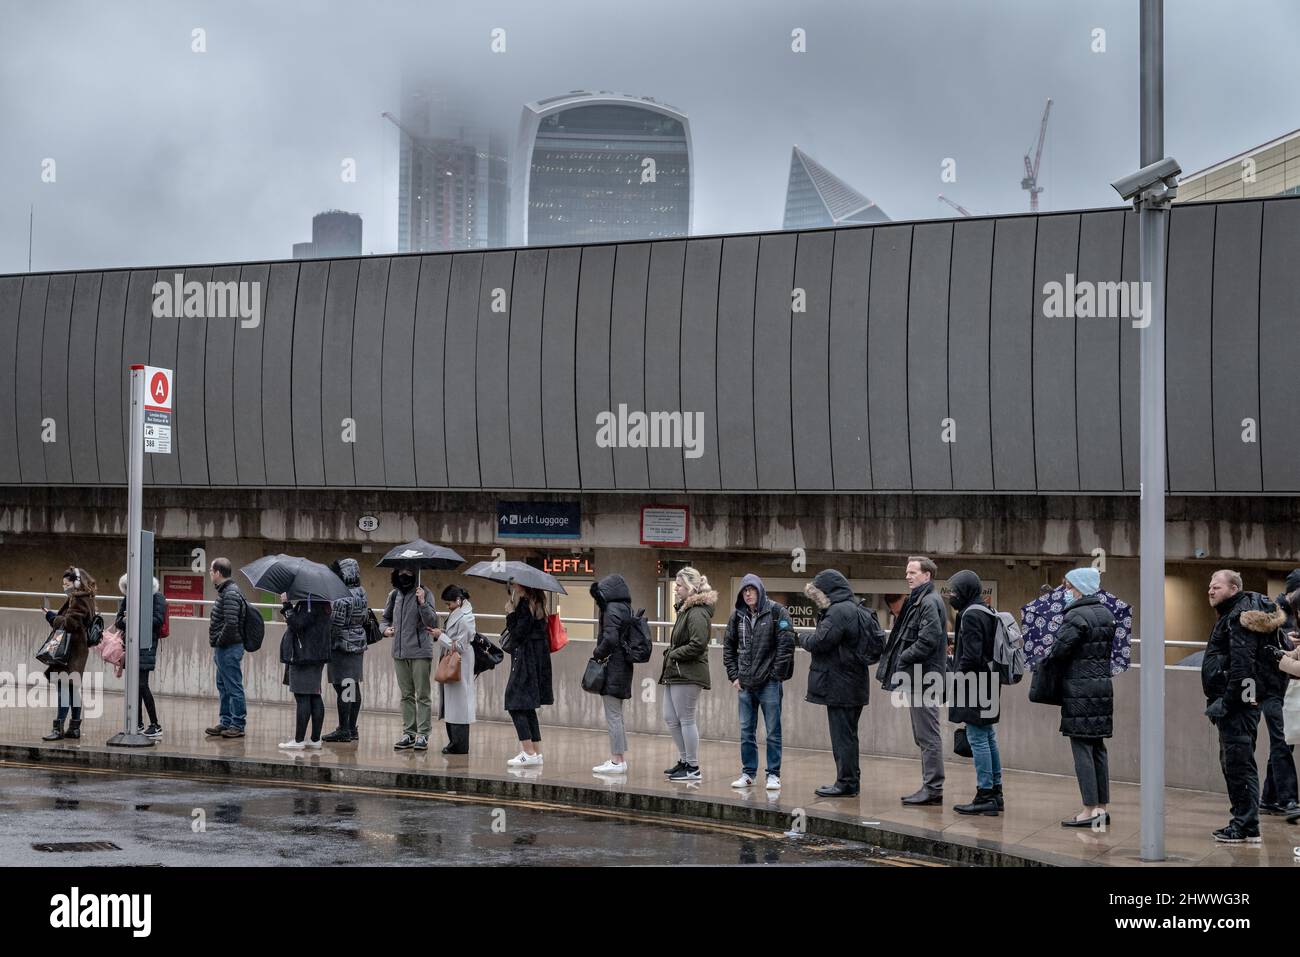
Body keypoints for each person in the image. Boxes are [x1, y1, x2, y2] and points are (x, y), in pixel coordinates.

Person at [1203, 569, 1285, 844]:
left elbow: (1243, 666)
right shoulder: (1239, 612)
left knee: (1238, 764)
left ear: (1234, 589)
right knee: (1237, 762)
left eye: (1216, 587)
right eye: (1210, 587)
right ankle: (1244, 822)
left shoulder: (1239, 618)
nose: (1210, 591)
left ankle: (1246, 826)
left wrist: (1227, 704)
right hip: (1243, 702)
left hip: (1238, 706)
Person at [1047, 567, 1115, 828]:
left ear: (1080, 587)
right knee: (1098, 748)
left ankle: (1087, 810)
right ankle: (1101, 808)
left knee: (1082, 750)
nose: (1065, 592)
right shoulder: (1106, 614)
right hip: (1101, 688)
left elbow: (1059, 652)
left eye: (1068, 587)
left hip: (1079, 690)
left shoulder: (1076, 616)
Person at [878, 556, 948, 806]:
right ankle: (930, 787)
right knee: (923, 735)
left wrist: (902, 657)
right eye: (907, 572)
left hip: (924, 679)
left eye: (912, 572)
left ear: (927, 575)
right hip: (919, 678)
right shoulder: (921, 600)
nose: (907, 576)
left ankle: (933, 788)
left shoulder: (928, 602)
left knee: (927, 736)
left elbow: (928, 640)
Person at [800, 569, 874, 797]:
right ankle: (849, 781)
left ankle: (846, 783)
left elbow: (821, 641)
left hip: (840, 685)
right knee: (848, 736)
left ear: (828, 591)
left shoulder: (839, 611)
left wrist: (800, 637)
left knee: (843, 737)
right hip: (852, 684)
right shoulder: (853, 608)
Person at [722, 573, 795, 790]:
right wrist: (734, 675)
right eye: (745, 590)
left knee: (773, 730)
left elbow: (786, 644)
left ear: (760, 590)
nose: (748, 593)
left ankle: (773, 774)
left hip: (770, 684)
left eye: (751, 589)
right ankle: (748, 773)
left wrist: (775, 675)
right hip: (745, 685)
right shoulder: (737, 616)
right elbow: (729, 646)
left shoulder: (776, 611)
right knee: (746, 731)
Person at [946, 570, 1003, 815]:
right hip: (989, 680)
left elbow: (970, 655)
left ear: (967, 591)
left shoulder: (970, 615)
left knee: (978, 738)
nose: (952, 596)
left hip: (974, 683)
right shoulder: (987, 611)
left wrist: (956, 675)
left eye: (955, 591)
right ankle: (996, 792)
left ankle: (985, 794)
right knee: (988, 736)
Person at [659, 567, 715, 782]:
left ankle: (693, 767)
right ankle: (684, 761)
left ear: (691, 588)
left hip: (689, 673)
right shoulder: (686, 610)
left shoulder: (698, 612)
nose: (676, 588)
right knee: (671, 718)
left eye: (680, 585)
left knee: (686, 719)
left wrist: (674, 653)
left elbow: (698, 644)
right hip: (677, 671)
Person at [41, 567, 98, 741]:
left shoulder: (79, 600)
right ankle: (74, 728)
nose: (64, 587)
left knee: (64, 688)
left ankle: (58, 728)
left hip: (70, 652)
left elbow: (70, 624)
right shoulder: (84, 598)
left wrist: (52, 617)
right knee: (72, 688)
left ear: (77, 582)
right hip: (76, 650)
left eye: (67, 583)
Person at [383, 567, 437, 751]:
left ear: (415, 573)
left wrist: (422, 602)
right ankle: (409, 733)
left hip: (420, 652)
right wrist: (385, 630)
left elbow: (432, 622)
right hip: (399, 652)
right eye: (401, 571)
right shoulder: (394, 595)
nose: (405, 575)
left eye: (409, 571)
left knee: (422, 695)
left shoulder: (425, 593)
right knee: (406, 695)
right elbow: (385, 618)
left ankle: (423, 734)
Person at [1260, 569, 1300, 815]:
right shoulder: (1274, 612)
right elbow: (1267, 647)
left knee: (1283, 742)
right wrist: (1286, 647)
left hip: (1286, 687)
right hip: (1277, 687)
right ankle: (1287, 800)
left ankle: (1269, 797)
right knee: (1282, 741)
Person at [504, 584, 554, 766]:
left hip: (526, 659)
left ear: (523, 586)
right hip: (538, 659)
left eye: (516, 582)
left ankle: (528, 752)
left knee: (515, 704)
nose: (513, 585)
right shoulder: (539, 603)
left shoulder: (525, 604)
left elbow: (518, 633)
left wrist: (510, 613)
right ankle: (536, 752)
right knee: (528, 706)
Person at [590, 575, 634, 774]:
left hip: (613, 668)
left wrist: (597, 653)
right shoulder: (625, 608)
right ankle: (619, 758)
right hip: (623, 667)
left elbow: (610, 638)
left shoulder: (611, 609)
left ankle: (617, 761)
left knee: (613, 716)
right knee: (617, 715)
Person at [322, 559, 369, 743]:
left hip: (342, 648)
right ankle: (352, 728)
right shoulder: (362, 592)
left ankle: (344, 729)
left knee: (344, 688)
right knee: (352, 687)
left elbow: (335, 625)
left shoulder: (342, 596)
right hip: (358, 645)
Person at [115, 573, 166, 738]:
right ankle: (137, 723)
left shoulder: (157, 598)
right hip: (130, 645)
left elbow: (158, 620)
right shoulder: (128, 598)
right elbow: (118, 621)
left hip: (147, 645)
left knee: (142, 685)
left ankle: (155, 724)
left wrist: (134, 619)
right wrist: (127, 620)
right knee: (133, 686)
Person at [279, 594, 332, 749]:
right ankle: (315, 740)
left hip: (305, 655)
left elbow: (297, 624)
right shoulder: (322, 601)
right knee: (314, 695)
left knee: (302, 696)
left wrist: (287, 605)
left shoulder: (310, 601)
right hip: (316, 654)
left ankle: (299, 740)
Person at [432, 585, 476, 755]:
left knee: (459, 703)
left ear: (458, 601)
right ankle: (454, 742)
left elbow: (461, 645)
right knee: (453, 703)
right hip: (454, 660)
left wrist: (440, 636)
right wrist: (442, 633)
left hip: (459, 661)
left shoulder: (465, 618)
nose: (447, 606)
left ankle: (459, 743)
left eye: (449, 603)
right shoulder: (458, 615)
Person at [206, 558, 247, 739]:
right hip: (224, 648)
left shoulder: (230, 593)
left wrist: (218, 640)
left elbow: (231, 624)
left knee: (233, 686)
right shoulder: (225, 592)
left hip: (229, 647)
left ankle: (237, 724)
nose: (209, 573)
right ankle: (226, 721)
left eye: (211, 570)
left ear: (218, 573)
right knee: (223, 686)